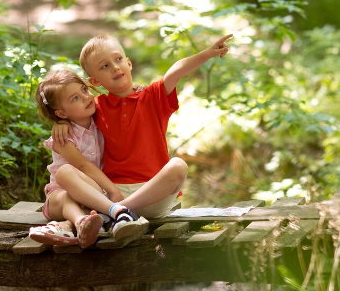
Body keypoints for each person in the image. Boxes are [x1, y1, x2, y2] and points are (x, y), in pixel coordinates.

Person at [53, 33, 232, 220]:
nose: (115, 67)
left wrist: (207, 53)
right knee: (65, 172)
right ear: (95, 81)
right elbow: (73, 114)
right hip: (113, 191)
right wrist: (60, 123)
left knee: (178, 166)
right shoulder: (96, 107)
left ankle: (116, 211)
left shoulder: (153, 96)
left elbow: (176, 71)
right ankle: (115, 213)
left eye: (118, 59)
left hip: (152, 194)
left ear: (128, 63)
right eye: (105, 66)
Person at [29, 69, 148, 249]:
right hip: (60, 198)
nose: (86, 97)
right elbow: (83, 165)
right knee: (65, 174)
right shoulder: (63, 138)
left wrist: (134, 91)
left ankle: (69, 226)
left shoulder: (101, 118)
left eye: (84, 90)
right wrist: (112, 190)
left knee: (80, 198)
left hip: (93, 194)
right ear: (61, 113)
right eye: (75, 98)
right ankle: (96, 217)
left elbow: (120, 103)